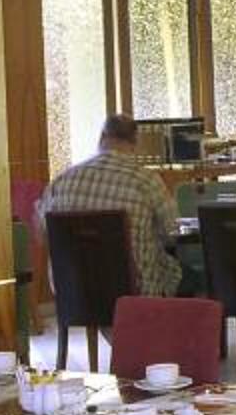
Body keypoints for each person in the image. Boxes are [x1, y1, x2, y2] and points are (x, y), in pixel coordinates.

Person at [40, 112, 187, 297]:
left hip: (74, 291)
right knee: (178, 270)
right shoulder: (146, 180)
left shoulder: (62, 180)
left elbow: (43, 230)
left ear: (101, 137)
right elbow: (172, 231)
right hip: (134, 292)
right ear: (135, 143)